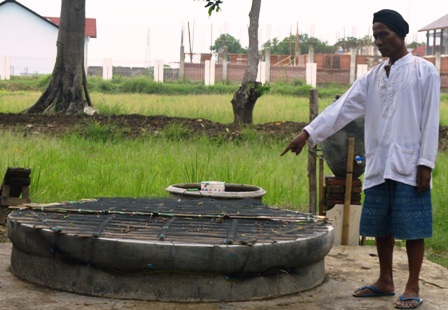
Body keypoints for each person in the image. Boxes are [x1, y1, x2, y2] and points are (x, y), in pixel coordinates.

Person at [281, 9, 440, 310]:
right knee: (381, 226)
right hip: (380, 163)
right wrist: (307, 133)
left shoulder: (424, 71)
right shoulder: (373, 77)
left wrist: (426, 164)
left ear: (401, 34)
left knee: (413, 227)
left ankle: (413, 285)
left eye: (385, 35)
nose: (380, 42)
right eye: (376, 36)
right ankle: (385, 281)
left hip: (410, 163)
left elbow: (431, 120)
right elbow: (342, 108)